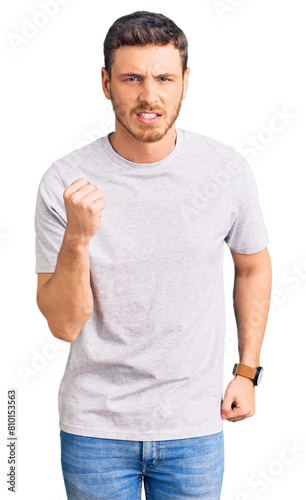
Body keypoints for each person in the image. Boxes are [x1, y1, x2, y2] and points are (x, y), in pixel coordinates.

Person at [34, 10, 272, 500]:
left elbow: (253, 265)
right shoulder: (65, 182)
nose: (149, 96)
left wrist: (247, 372)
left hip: (193, 425)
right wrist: (78, 239)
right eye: (132, 78)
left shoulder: (225, 171)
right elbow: (63, 325)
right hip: (95, 430)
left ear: (186, 82)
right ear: (106, 83)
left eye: (165, 78)